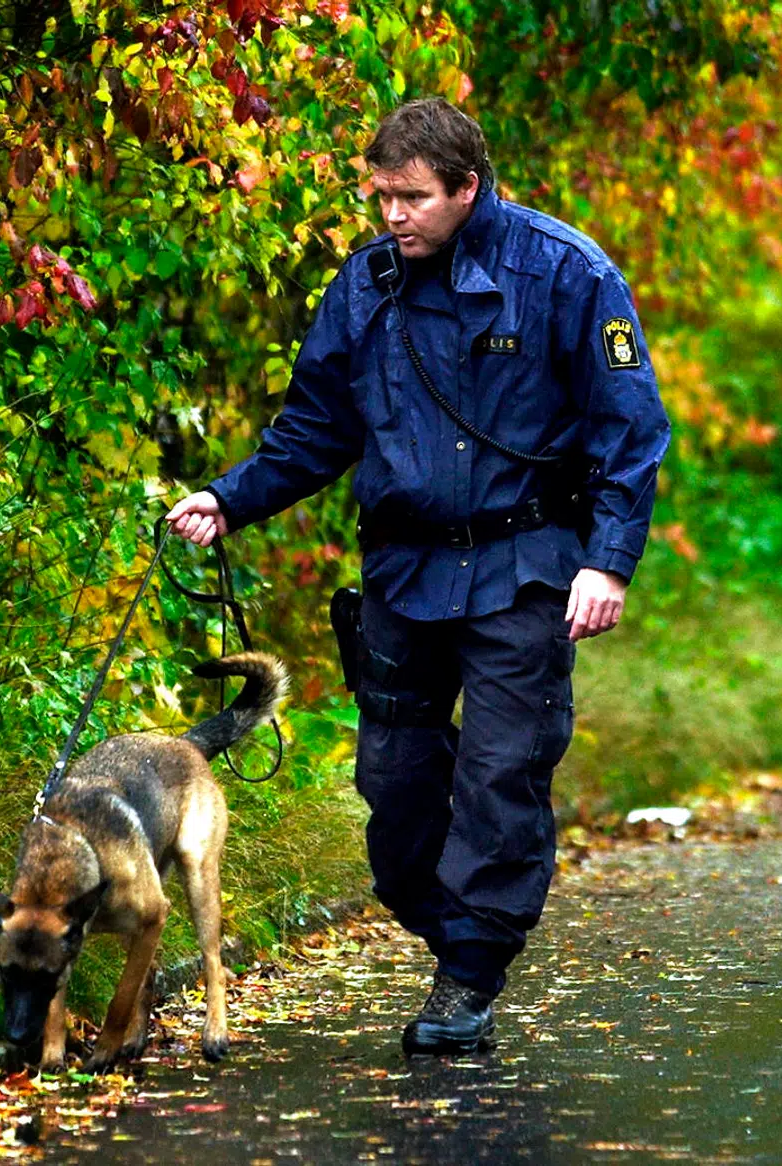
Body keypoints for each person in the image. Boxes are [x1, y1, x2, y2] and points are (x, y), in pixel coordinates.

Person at [167, 98, 670, 1056]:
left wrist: (608, 562)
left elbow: (631, 431)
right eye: (382, 197)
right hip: (404, 571)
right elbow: (315, 429)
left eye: (413, 198)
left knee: (500, 775)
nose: (393, 215)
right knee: (394, 793)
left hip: (526, 566)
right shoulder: (364, 287)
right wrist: (229, 500)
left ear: (466, 188)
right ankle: (464, 938)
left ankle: (469, 974)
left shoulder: (568, 274)